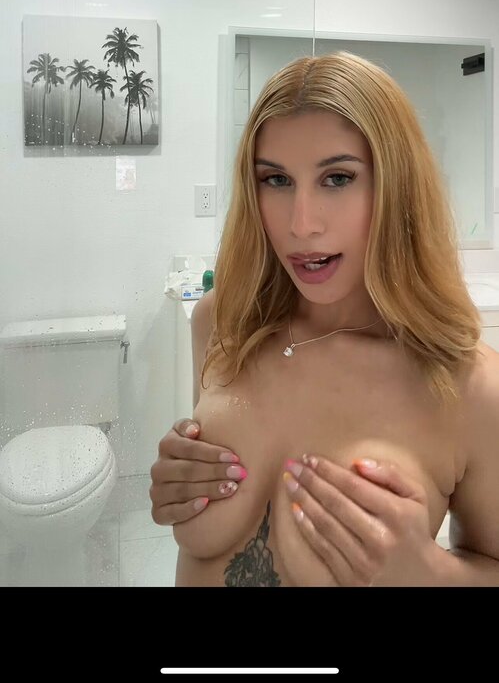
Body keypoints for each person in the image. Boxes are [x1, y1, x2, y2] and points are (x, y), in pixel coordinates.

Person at [150, 51, 499, 586]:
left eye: (337, 178)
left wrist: (430, 573)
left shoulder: (468, 386)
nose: (302, 224)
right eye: (276, 180)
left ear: (396, 185)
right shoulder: (224, 321)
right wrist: (175, 485)